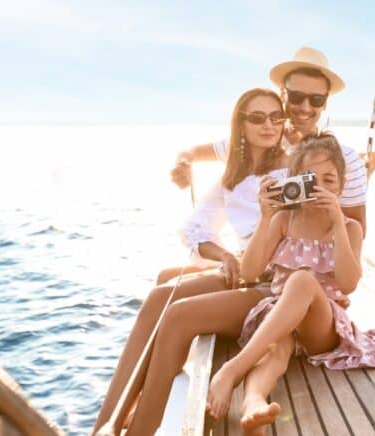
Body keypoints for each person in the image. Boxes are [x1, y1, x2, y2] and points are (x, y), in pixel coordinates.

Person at [91, 87, 289, 434]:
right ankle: (106, 422)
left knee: (176, 313)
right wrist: (223, 254)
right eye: (257, 117)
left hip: (275, 283)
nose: (269, 125)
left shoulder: (290, 169)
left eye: (276, 117)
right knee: (158, 296)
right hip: (244, 270)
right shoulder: (235, 174)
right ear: (240, 125)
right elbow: (195, 227)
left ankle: (140, 428)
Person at [205, 134, 375, 433]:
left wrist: (337, 222)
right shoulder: (284, 220)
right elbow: (250, 271)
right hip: (282, 315)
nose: (320, 189)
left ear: (342, 184)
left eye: (329, 181)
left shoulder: (349, 228)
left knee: (302, 280)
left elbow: (348, 285)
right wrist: (266, 216)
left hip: (323, 324)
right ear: (294, 182)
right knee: (275, 353)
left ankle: (232, 370)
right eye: (311, 180)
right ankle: (253, 403)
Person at [171, 47, 368, 235]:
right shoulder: (257, 140)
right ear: (283, 94)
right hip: (255, 254)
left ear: (325, 102)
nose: (305, 108)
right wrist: (183, 164)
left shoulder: (346, 158)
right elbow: (192, 152)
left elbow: (357, 229)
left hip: (308, 261)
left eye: (316, 99)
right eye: (297, 97)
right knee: (168, 273)